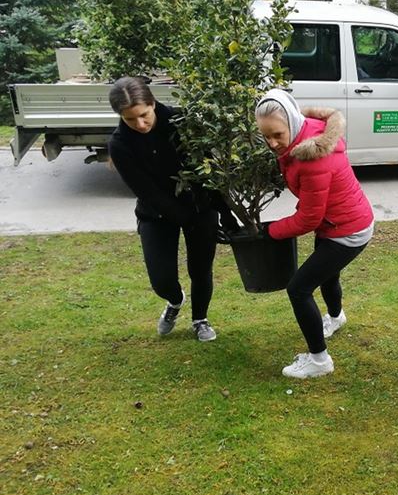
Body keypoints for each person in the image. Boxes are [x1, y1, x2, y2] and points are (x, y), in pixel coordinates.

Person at [255, 89, 374, 379]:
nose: (272, 143)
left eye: (277, 135)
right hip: (336, 224)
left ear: (292, 124)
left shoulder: (313, 158)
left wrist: (270, 231)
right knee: (326, 276)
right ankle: (336, 318)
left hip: (348, 230)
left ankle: (319, 361)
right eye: (265, 136)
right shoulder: (304, 132)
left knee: (299, 288)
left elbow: (309, 218)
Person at [108, 76, 229, 342]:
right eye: (130, 120)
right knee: (161, 280)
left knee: (200, 269)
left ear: (152, 103)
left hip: (200, 207)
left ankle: (200, 320)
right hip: (156, 213)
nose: (140, 124)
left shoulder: (182, 122)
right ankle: (175, 301)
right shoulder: (119, 144)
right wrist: (186, 219)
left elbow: (208, 170)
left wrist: (224, 213)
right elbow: (147, 193)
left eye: (143, 115)